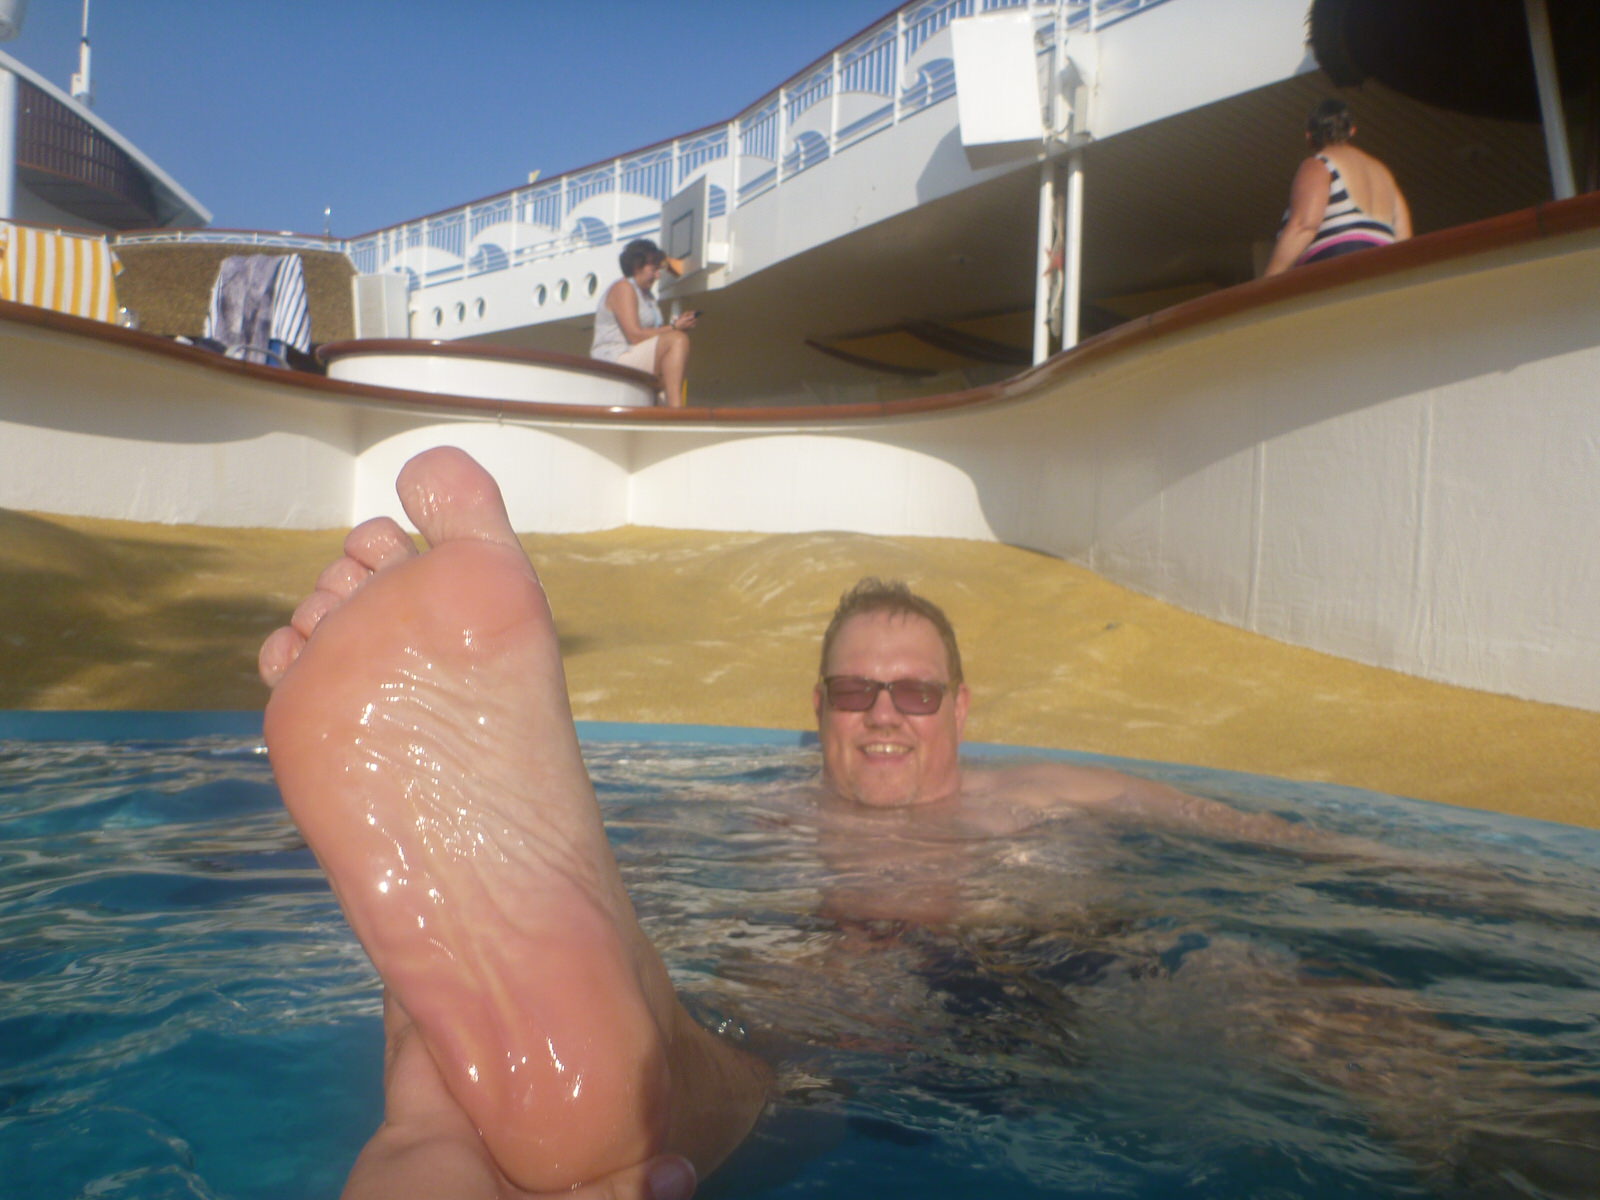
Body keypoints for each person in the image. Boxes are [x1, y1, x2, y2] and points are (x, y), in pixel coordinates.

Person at [258, 448, 1591, 1196]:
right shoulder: (763, 810)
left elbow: (1279, 845)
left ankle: (1534, 1148)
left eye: (913, 692)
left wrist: (1469, 881)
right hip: (848, 1002)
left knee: (1271, 985)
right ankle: (587, 1085)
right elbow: (615, 849)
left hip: (1074, 977)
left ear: (961, 706)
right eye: (855, 692)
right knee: (763, 1026)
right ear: (817, 709)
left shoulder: (1061, 792)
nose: (885, 716)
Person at [1262, 98, 1412, 277]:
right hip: (1383, 271)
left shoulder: (1319, 165)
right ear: (1352, 130)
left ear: (1309, 136)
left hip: (1338, 270)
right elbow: (1403, 237)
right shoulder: (1383, 173)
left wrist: (1267, 281)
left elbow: (1304, 226)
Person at [590, 239, 696, 406]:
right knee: (677, 340)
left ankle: (666, 407)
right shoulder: (623, 288)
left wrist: (677, 326)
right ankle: (676, 409)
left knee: (673, 357)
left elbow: (655, 336)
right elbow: (635, 335)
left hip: (633, 354)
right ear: (637, 267)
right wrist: (674, 327)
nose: (658, 275)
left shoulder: (648, 297)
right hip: (615, 357)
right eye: (654, 270)